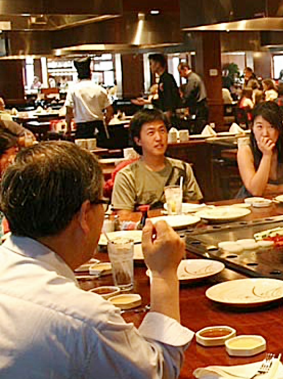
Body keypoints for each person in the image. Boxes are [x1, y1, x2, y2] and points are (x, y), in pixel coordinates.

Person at [0, 141, 193, 377]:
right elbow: (158, 371)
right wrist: (164, 274)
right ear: (84, 215)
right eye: (103, 203)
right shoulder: (84, 320)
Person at [111, 109, 203, 219]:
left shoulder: (182, 169)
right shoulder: (127, 176)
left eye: (162, 131)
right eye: (151, 133)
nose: (158, 138)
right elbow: (124, 218)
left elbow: (194, 208)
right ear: (138, 140)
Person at [64, 57, 113, 145]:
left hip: (82, 127)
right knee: (103, 152)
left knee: (83, 156)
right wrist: (105, 123)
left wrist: (68, 128)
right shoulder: (100, 89)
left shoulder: (73, 90)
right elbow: (110, 111)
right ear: (90, 73)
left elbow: (68, 111)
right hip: (99, 126)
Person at [149, 53, 181, 124]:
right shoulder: (162, 78)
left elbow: (169, 98)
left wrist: (167, 116)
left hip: (170, 115)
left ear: (158, 64)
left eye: (151, 63)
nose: (150, 67)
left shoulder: (167, 78)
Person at [178, 62, 209, 133]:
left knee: (198, 129)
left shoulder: (192, 79)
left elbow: (188, 95)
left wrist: (183, 103)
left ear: (185, 69)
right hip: (201, 106)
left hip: (200, 107)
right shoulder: (194, 77)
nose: (181, 75)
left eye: (180, 72)